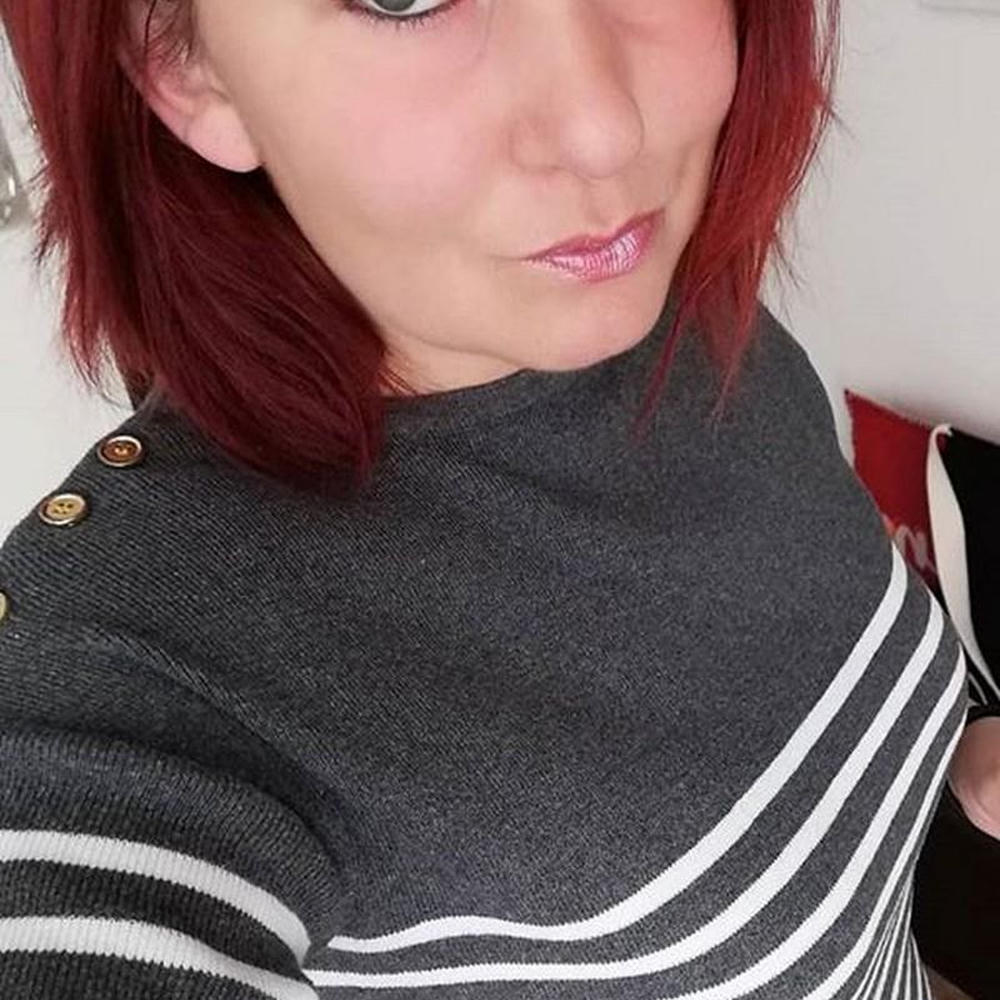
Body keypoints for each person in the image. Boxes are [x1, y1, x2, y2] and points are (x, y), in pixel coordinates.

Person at [0, 1, 996, 997]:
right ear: (181, 62)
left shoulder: (664, 307)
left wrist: (956, 763)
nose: (605, 129)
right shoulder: (136, 667)